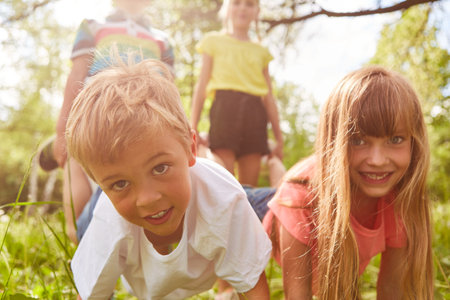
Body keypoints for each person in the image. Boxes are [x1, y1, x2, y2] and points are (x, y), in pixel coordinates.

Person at [66, 58, 272, 300]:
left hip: (212, 201)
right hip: (105, 225)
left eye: (160, 168)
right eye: (120, 183)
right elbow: (89, 296)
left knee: (263, 201)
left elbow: (252, 283)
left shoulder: (223, 199)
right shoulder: (107, 222)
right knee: (82, 230)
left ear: (190, 147)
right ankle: (79, 179)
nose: (147, 198)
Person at [263, 66, 434, 299]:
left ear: (415, 143)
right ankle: (271, 162)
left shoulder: (400, 198)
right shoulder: (298, 197)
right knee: (242, 195)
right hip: (275, 204)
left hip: (322, 188)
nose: (377, 160)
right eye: (358, 140)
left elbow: (392, 290)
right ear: (332, 143)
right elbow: (298, 295)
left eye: (395, 139)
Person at [47, 0, 174, 244]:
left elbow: (169, 88)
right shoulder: (92, 26)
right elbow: (76, 75)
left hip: (147, 130)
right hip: (96, 123)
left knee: (140, 218)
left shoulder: (163, 40)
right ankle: (87, 255)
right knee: (80, 230)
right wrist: (62, 131)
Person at [190, 0, 283, 187]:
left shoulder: (261, 51)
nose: (242, 7)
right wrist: (193, 125)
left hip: (255, 113)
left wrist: (279, 136)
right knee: (226, 183)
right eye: (237, 2)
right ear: (228, 8)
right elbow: (201, 85)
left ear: (257, 11)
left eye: (249, 4)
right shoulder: (213, 41)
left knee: (249, 187)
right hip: (225, 109)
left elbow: (269, 97)